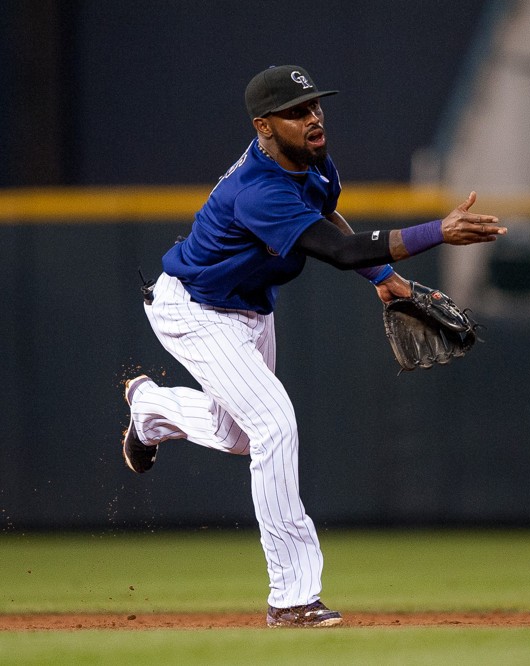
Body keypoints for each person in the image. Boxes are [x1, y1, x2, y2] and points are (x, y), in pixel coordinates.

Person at [121, 65, 506, 628]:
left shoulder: (312, 161)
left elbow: (330, 219)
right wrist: (434, 233)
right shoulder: (257, 191)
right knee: (274, 424)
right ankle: (292, 597)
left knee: (237, 437)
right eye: (297, 111)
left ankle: (149, 408)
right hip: (195, 309)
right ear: (264, 126)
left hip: (248, 308)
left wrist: (386, 280)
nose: (313, 117)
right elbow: (341, 252)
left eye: (315, 105)